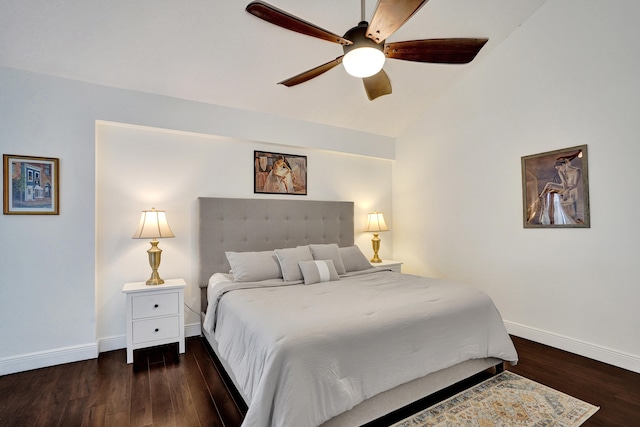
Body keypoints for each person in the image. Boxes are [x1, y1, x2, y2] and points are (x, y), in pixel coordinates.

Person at [537, 151, 582, 224]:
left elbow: (574, 184)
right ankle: (541, 196)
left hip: (572, 188)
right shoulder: (561, 171)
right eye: (557, 169)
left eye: (559, 168)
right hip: (564, 186)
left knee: (554, 194)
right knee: (549, 184)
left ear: (564, 165)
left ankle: (558, 217)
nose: (559, 170)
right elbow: (564, 182)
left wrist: (567, 191)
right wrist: (563, 189)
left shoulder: (576, 171)